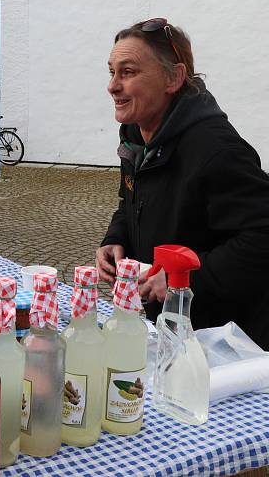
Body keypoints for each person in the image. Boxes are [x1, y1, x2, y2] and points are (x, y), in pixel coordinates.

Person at [96, 18, 269, 350]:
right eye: (111, 72)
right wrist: (115, 238)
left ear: (173, 78)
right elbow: (129, 202)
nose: (113, 86)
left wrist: (184, 279)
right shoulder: (136, 138)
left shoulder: (216, 150)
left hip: (221, 342)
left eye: (128, 72)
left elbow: (263, 237)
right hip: (165, 328)